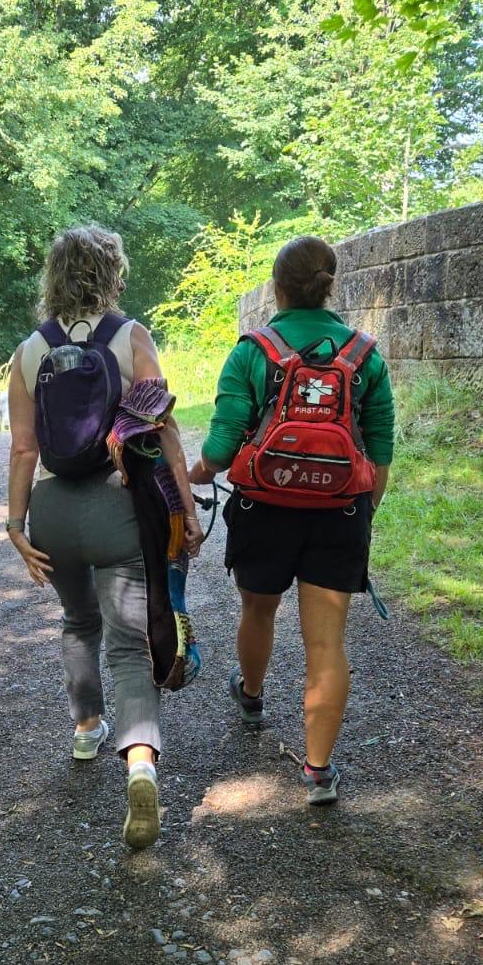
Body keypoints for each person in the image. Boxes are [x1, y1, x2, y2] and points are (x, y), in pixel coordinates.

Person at [6, 225, 203, 849]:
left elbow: (22, 449)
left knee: (77, 623)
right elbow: (162, 426)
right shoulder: (132, 336)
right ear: (113, 272)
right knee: (128, 645)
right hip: (120, 505)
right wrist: (187, 506)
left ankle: (87, 725)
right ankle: (141, 763)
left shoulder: (28, 351)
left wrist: (15, 526)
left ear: (53, 277)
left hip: (54, 511)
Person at [188, 234, 394, 805]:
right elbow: (380, 454)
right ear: (331, 285)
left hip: (264, 509)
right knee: (327, 641)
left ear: (277, 287)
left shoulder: (253, 350)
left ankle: (251, 694)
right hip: (339, 514)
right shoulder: (365, 354)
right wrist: (360, 515)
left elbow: (224, 445)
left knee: (258, 608)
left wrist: (193, 474)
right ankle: (318, 770)